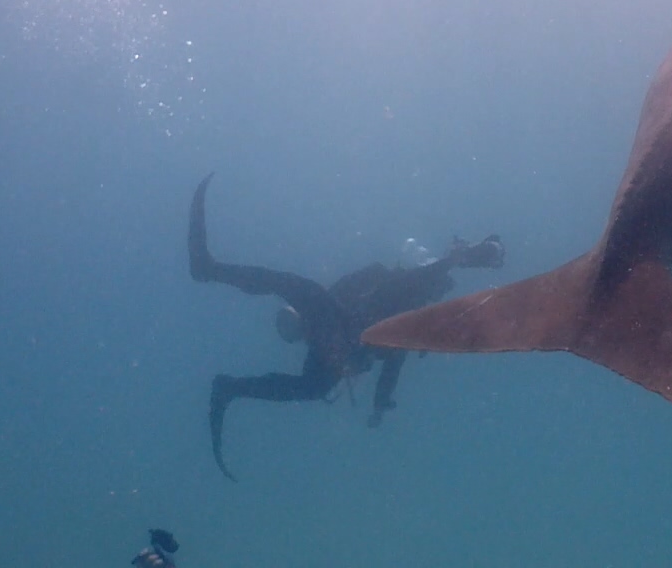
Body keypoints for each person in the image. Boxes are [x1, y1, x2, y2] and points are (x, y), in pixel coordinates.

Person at [188, 173, 505, 481]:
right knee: (308, 302)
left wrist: (379, 404)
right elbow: (411, 283)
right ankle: (210, 273)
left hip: (342, 344)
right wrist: (455, 259)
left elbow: (392, 364)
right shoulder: (397, 286)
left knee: (314, 383)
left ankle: (230, 385)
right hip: (340, 328)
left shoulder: (405, 321)